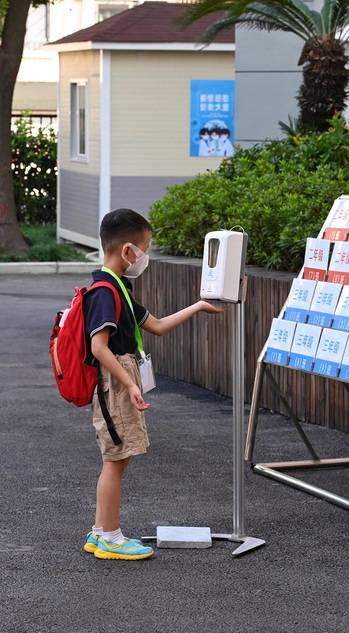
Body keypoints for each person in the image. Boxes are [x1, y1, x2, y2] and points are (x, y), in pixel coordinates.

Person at [82, 208, 222, 560]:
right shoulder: (104, 292)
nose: (145, 256)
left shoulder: (119, 288)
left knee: (119, 457)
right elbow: (99, 347)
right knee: (117, 458)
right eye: (144, 248)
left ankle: (100, 532)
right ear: (128, 250)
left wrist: (198, 307)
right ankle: (111, 538)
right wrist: (129, 383)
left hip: (121, 377)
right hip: (115, 382)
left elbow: (156, 326)